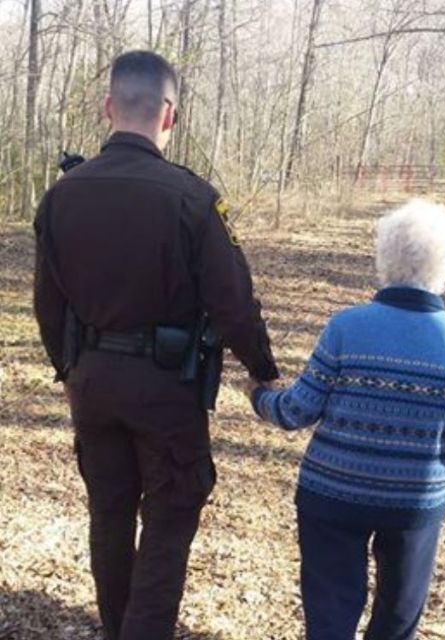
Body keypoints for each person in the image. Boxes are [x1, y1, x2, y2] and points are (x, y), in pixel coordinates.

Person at [33, 50, 278, 640]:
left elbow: (47, 304)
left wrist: (68, 370)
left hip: (92, 383)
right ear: (170, 115)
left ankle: (119, 628)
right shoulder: (192, 198)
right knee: (168, 521)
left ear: (107, 107)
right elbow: (233, 305)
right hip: (166, 389)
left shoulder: (62, 196)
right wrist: (263, 371)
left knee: (109, 517)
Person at [248, 199, 445, 640]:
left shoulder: (346, 327)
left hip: (332, 493)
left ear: (384, 257)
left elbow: (296, 410)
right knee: (398, 615)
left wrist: (259, 396)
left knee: (330, 611)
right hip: (414, 500)